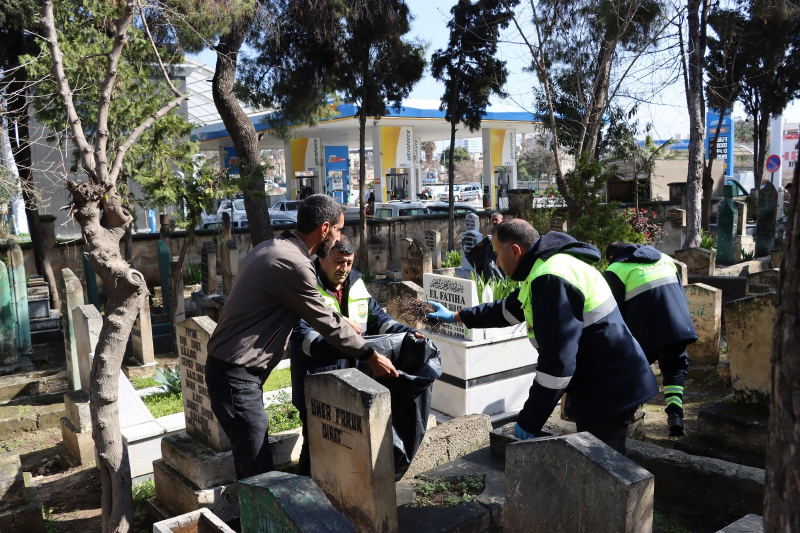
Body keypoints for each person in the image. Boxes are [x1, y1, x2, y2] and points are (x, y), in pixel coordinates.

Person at [204, 195, 398, 480]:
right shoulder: (295, 264)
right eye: (337, 230)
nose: (339, 237)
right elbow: (326, 323)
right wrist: (371, 356)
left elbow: (308, 309)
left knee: (251, 461)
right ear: (324, 229)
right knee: (258, 471)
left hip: (229, 370)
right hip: (236, 376)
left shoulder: (271, 248)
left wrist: (342, 320)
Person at [427, 220, 658, 454]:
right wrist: (455, 316)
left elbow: (557, 364)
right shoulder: (543, 267)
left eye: (497, 254)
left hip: (610, 388)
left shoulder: (550, 277)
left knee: (604, 463)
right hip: (605, 382)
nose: (496, 262)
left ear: (515, 251)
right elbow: (508, 309)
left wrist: (530, 419)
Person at [289, 235, 423, 476]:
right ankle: (307, 492)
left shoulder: (356, 284)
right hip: (317, 386)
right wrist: (347, 338)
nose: (344, 268)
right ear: (321, 259)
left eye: (349, 262)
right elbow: (305, 339)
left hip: (355, 383)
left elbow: (379, 320)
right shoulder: (306, 288)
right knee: (316, 449)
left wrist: (407, 332)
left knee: (349, 450)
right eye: (339, 261)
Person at [604, 242, 698, 436]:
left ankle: (629, 416)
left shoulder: (616, 269)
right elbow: (680, 293)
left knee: (634, 372)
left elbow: (614, 310)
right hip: (677, 324)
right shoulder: (665, 259)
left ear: (612, 257)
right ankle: (675, 415)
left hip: (645, 330)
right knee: (675, 367)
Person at [466, 212, 505, 279]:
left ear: (502, 219)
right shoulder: (495, 229)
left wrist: (493, 240)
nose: (494, 222)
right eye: (492, 220)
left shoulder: (505, 229)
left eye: (496, 219)